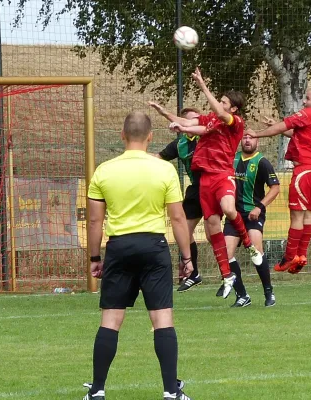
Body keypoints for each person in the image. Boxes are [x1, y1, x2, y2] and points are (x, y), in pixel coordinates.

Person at [84, 111, 193, 400]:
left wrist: (95, 258)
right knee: (162, 319)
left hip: (119, 248)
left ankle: (97, 391)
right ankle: (171, 392)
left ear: (122, 135)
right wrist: (187, 258)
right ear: (150, 137)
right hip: (154, 247)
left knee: (110, 320)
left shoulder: (104, 170)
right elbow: (179, 218)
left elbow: (95, 222)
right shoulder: (164, 170)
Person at [168, 67, 264, 299]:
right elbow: (200, 125)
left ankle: (248, 244)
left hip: (222, 174)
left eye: (223, 102)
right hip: (205, 179)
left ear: (233, 108)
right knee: (212, 227)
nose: (219, 104)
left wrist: (202, 85)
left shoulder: (235, 122)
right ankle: (226, 274)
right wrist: (181, 125)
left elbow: (219, 116)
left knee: (229, 209)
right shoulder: (214, 120)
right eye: (219, 100)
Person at [247, 88, 311, 274]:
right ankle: (301, 255)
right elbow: (299, 135)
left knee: (296, 216)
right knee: (307, 214)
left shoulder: (308, 113)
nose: (304, 102)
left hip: (304, 171)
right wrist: (275, 124)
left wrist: (257, 134)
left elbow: (281, 127)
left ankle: (289, 256)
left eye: (307, 99)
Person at [218, 134, 280, 307]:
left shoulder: (262, 162)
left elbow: (275, 188)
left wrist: (259, 207)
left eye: (251, 137)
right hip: (234, 215)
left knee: (256, 251)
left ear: (256, 141)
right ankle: (242, 295)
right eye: (244, 137)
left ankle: (269, 292)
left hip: (253, 214)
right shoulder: (232, 159)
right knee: (225, 254)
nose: (247, 140)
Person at [148, 103, 203, 291]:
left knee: (216, 236)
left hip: (215, 186)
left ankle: (230, 272)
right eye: (189, 120)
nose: (193, 123)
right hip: (196, 190)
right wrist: (137, 155)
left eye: (196, 120)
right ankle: (194, 273)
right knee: (185, 233)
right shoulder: (179, 144)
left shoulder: (208, 136)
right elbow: (159, 157)